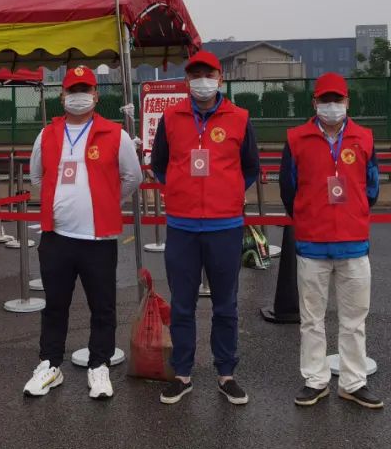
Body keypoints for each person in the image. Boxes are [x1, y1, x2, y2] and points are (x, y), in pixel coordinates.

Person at [23, 66, 143, 400]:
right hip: (57, 237)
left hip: (97, 240)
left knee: (102, 307)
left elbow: (133, 177)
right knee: (55, 305)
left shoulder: (115, 134)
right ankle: (50, 364)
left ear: (96, 95)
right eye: (72, 90)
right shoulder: (47, 135)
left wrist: (105, 200)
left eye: (84, 90)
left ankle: (99, 365)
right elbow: (36, 177)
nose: (78, 96)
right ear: (62, 96)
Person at [150, 50, 260, 405]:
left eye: (208, 74)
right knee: (182, 304)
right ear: (187, 80)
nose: (202, 81)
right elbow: (160, 164)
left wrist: (226, 193)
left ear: (220, 79)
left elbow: (250, 168)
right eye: (195, 75)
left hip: (224, 226)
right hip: (182, 226)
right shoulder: (171, 117)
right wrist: (180, 190)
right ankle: (182, 374)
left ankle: (226, 374)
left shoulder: (239, 118)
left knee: (225, 305)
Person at [280, 72, 383, 409]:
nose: (331, 105)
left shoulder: (364, 138)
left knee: (354, 320)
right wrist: (308, 215)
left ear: (347, 102)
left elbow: (372, 187)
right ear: (314, 103)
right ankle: (315, 380)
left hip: (354, 243)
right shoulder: (296, 139)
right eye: (325, 100)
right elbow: (288, 188)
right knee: (311, 319)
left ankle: (353, 382)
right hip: (312, 244)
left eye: (337, 99)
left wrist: (353, 213)